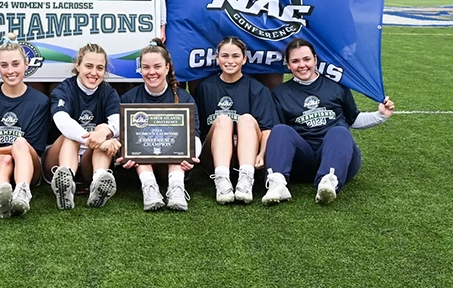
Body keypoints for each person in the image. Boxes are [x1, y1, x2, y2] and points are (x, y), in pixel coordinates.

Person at [262, 38, 395, 205]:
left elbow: (353, 120)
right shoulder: (280, 93)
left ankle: (328, 183)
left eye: (306, 59)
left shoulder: (336, 85)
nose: (302, 65)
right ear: (288, 65)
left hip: (340, 158)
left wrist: (380, 115)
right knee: (280, 129)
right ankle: (278, 184)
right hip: (302, 161)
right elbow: (277, 135)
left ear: (315, 59)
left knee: (339, 131)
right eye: (295, 61)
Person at [118, 39, 200, 211]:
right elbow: (123, 137)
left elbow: (195, 136)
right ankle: (149, 189)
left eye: (157, 66)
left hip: (175, 166)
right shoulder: (129, 99)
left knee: (178, 145)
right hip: (140, 166)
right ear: (140, 69)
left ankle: (176, 189)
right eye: (146, 67)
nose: (151, 72)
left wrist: (191, 157)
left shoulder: (184, 98)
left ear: (167, 67)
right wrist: (125, 153)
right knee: (140, 147)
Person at [194, 37, 278, 204]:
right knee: (223, 120)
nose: (230, 61)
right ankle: (222, 181)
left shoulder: (257, 88)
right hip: (214, 156)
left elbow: (267, 127)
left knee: (246, 119)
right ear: (217, 58)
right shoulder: (206, 87)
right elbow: (198, 128)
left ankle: (245, 181)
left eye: (236, 56)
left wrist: (262, 154)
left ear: (244, 59)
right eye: (225, 56)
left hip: (248, 156)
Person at [0, 34, 50, 218]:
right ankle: (0, 195)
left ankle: (22, 192)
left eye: (16, 64)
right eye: (4, 65)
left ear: (26, 64)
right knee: (4, 160)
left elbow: (33, 147)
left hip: (27, 166)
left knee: (19, 144)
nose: (10, 70)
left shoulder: (40, 102)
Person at [44, 43, 121, 210]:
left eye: (100, 68)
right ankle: (66, 182)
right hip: (57, 159)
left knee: (104, 130)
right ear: (78, 66)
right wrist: (99, 140)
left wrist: (105, 132)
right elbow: (61, 120)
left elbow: (117, 122)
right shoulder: (64, 88)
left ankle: (99, 181)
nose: (94, 73)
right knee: (71, 134)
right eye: (88, 66)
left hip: (89, 162)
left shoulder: (108, 92)